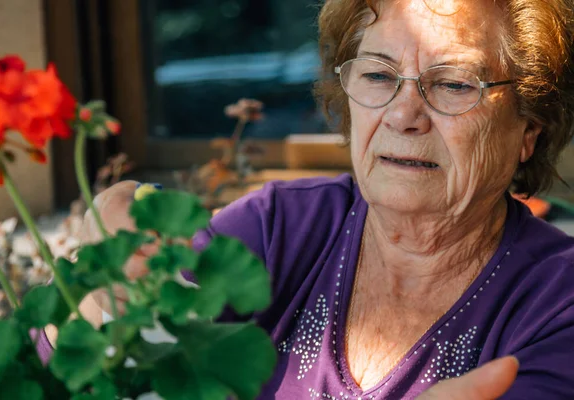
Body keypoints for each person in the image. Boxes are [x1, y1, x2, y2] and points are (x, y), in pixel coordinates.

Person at [40, 0, 574, 398]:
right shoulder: (284, 226)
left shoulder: (558, 304)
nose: (402, 115)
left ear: (529, 126)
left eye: (455, 84)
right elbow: (58, 362)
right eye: (377, 75)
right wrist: (94, 290)